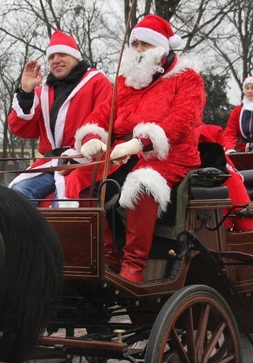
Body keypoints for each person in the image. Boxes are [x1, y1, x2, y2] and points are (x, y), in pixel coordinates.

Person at [73, 14, 205, 283]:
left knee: (142, 183)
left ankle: (133, 264)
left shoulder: (188, 79)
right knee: (84, 180)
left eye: (146, 44)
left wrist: (142, 141)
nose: (139, 50)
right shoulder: (126, 82)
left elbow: (181, 122)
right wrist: (91, 138)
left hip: (171, 157)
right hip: (126, 155)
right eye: (136, 45)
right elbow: (101, 115)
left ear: (162, 48)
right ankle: (106, 255)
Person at [7, 30, 112, 205]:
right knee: (18, 194)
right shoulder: (42, 93)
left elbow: (105, 122)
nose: (56, 60)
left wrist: (80, 153)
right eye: (51, 56)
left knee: (64, 199)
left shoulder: (97, 82)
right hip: (51, 163)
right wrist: (26, 92)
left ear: (75, 57)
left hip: (85, 163)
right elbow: (22, 129)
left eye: (62, 54)